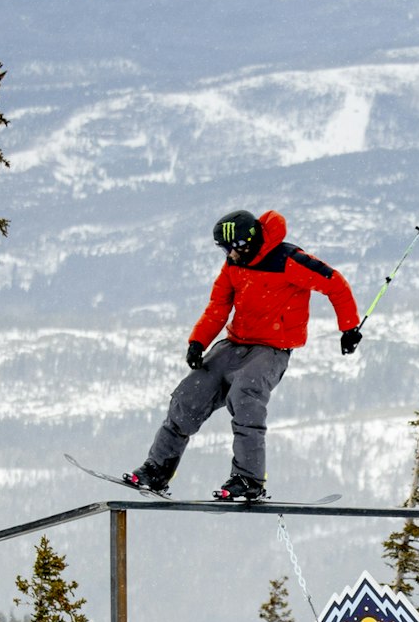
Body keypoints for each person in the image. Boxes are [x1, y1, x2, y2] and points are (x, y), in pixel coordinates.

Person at [123, 208, 361, 501]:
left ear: (245, 243)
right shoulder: (233, 265)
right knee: (188, 396)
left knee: (246, 398)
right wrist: (198, 341)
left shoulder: (288, 260)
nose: (227, 255)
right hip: (234, 344)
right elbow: (218, 305)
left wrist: (349, 328)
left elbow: (334, 283)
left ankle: (248, 480)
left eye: (229, 249)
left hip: (271, 349)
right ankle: (156, 470)